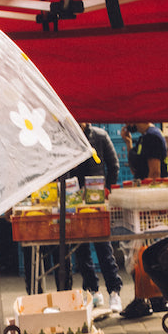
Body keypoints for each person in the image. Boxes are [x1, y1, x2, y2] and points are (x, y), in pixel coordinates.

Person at [66, 122, 123, 313]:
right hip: (74, 200)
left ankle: (114, 292)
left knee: (103, 247)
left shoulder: (100, 135)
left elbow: (113, 164)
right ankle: (92, 291)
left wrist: (109, 189)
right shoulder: (67, 136)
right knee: (81, 250)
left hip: (97, 201)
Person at [118, 122, 168, 320]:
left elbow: (154, 174)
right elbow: (136, 169)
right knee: (141, 249)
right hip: (143, 201)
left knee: (141, 251)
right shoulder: (143, 138)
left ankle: (145, 298)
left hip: (151, 203)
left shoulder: (153, 137)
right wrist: (128, 143)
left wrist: (145, 203)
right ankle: (153, 297)